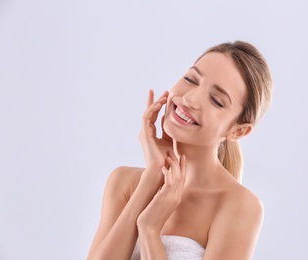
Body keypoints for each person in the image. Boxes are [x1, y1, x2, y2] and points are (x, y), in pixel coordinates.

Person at [87, 41, 273, 260]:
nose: (190, 98)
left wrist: (149, 229)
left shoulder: (239, 207)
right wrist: (151, 178)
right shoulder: (124, 183)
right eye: (191, 79)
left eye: (216, 100)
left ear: (238, 131)